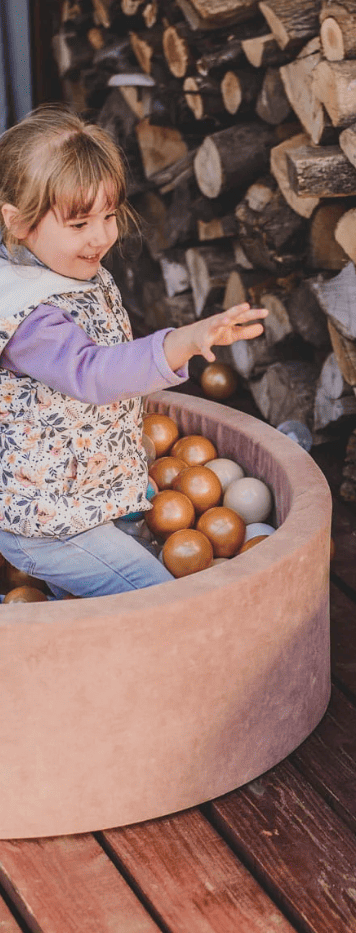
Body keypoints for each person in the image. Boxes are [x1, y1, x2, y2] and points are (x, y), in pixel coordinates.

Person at [0, 104, 267, 598]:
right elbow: (93, 373)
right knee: (156, 600)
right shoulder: (26, 314)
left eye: (109, 215)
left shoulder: (65, 269)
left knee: (98, 622)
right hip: (53, 526)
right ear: (18, 224)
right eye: (79, 224)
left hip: (90, 498)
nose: (101, 236)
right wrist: (182, 340)